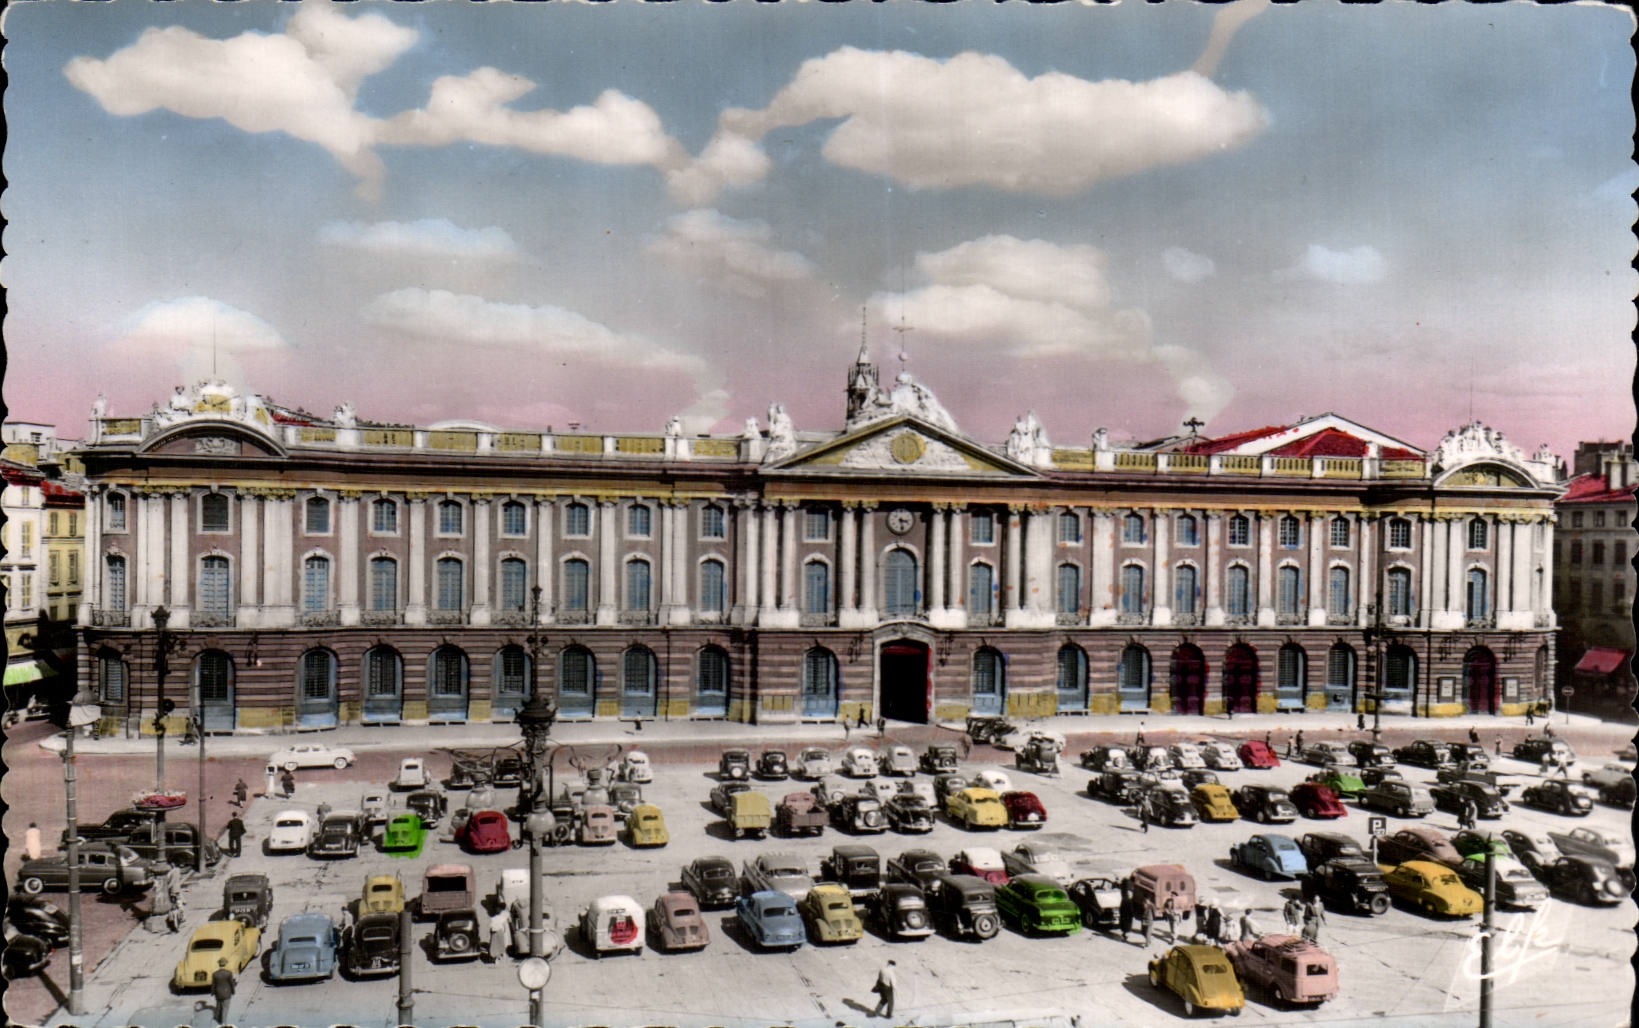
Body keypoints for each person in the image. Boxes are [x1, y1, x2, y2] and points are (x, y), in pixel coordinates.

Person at [210, 960, 235, 1025]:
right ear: (225, 964)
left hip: (218, 993)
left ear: (219, 965)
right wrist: (233, 991)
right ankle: (223, 1022)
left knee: (219, 1006)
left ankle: (218, 1019)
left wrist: (212, 993)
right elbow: (231, 983)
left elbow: (213, 985)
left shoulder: (215, 974)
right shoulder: (228, 973)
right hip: (227, 993)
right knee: (225, 1008)